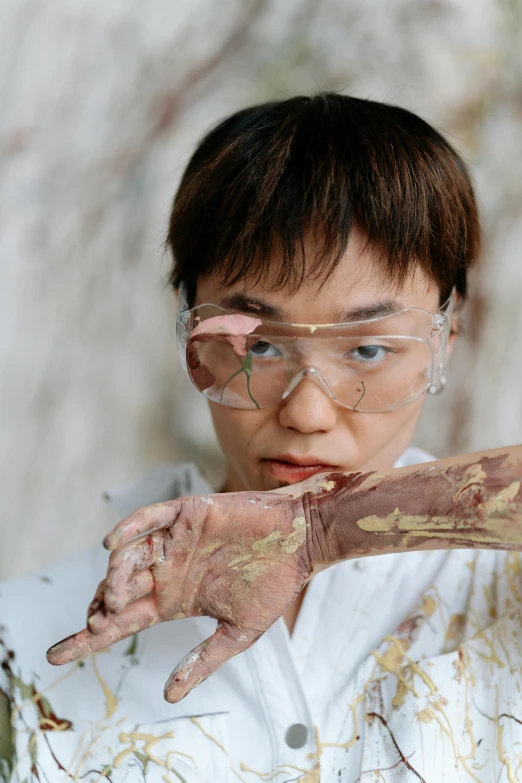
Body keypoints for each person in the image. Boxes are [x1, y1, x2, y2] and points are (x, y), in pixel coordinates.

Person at [1, 92, 521, 783]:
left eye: (368, 350)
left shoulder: (501, 594)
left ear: (446, 340)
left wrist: (322, 527)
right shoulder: (25, 643)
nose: (306, 412)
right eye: (257, 345)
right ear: (190, 332)